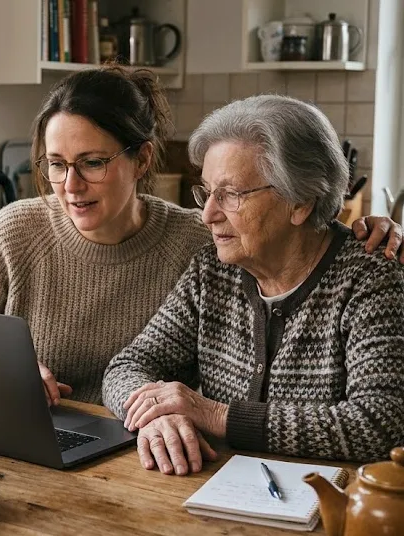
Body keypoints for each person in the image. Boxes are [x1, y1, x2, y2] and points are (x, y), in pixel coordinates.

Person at [0, 65, 404, 407]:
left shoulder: (204, 246)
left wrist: (369, 230)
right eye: (56, 164)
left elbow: (301, 247)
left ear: (141, 161)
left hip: (134, 454)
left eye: (93, 162)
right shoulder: (16, 230)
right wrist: (1, 371)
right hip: (44, 431)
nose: (69, 185)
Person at [102, 95, 404, 476]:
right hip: (216, 494)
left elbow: (378, 424)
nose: (208, 215)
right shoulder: (211, 271)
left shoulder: (369, 279)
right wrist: (154, 416)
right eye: (207, 192)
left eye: (230, 195)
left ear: (300, 201)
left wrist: (214, 414)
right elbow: (127, 366)